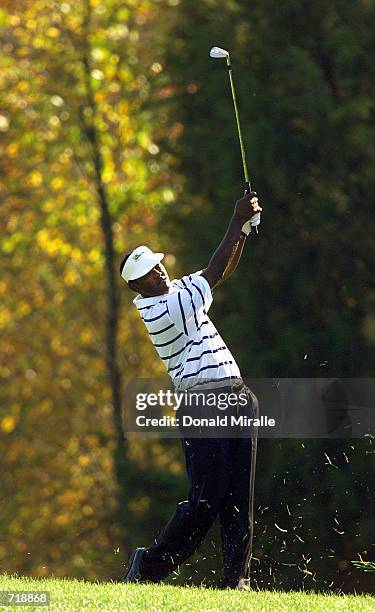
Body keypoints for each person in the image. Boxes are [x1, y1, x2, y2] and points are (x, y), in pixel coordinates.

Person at [119, 190, 262, 589]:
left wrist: (244, 233)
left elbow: (221, 271)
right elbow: (214, 273)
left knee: (239, 499)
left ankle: (237, 581)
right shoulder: (159, 311)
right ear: (137, 287)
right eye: (148, 273)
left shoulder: (178, 290)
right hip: (204, 406)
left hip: (237, 396)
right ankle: (148, 565)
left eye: (157, 266)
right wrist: (236, 221)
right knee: (205, 502)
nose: (158, 272)